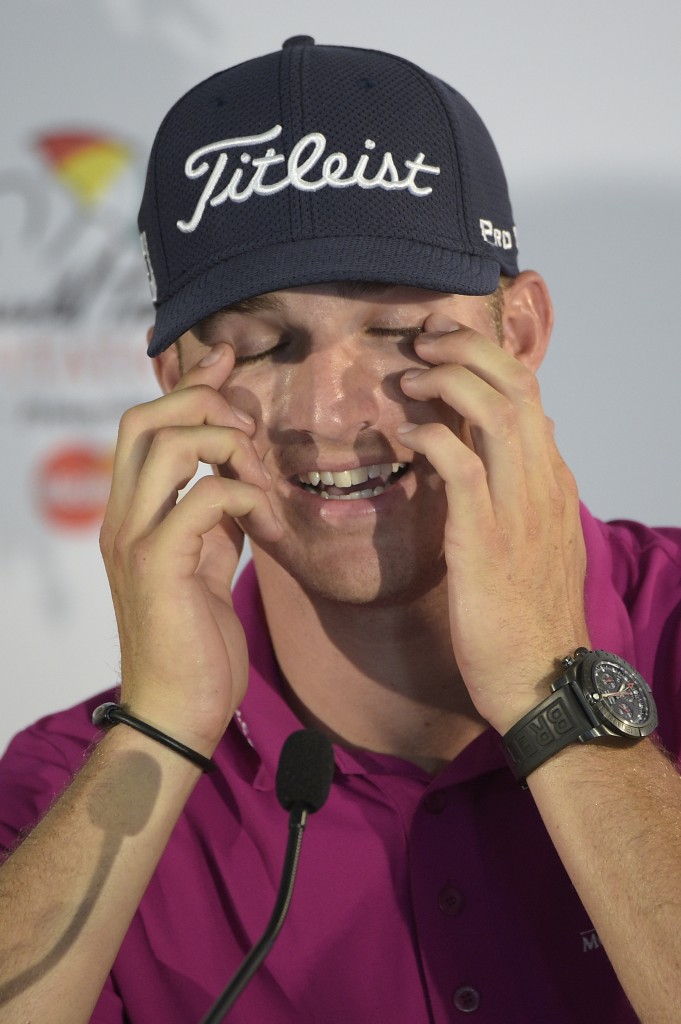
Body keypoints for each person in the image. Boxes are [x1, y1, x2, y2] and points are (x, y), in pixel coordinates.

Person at [1, 36, 680, 1024]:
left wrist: (555, 698)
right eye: (264, 344)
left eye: (402, 332)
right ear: (174, 381)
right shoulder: (77, 786)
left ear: (520, 334)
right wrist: (157, 732)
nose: (329, 411)